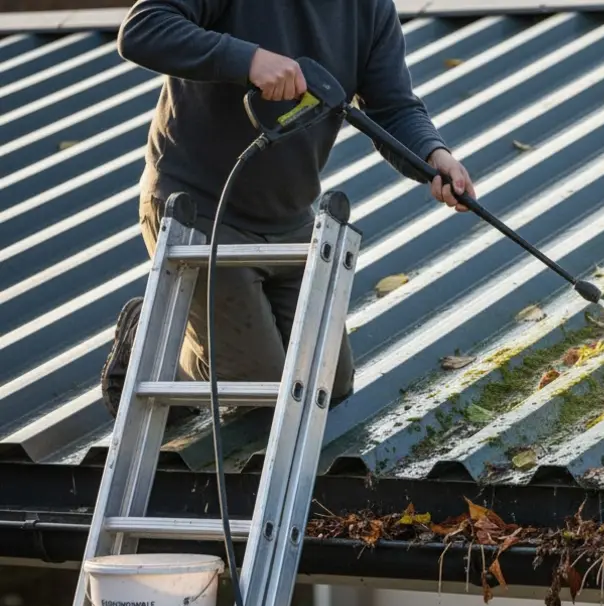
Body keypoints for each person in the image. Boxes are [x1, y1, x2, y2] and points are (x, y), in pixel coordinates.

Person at [101, 0, 475, 419]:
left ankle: (200, 341)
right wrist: (249, 59)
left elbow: (393, 107)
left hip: (289, 215)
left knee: (327, 386)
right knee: (260, 391)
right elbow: (142, 28)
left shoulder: (370, 8)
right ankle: (149, 345)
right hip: (199, 208)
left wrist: (433, 154)